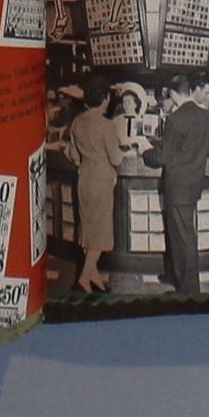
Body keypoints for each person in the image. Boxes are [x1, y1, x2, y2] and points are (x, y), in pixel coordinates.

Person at [151, 76, 209, 294]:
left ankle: (189, 291)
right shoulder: (208, 117)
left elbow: (162, 157)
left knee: (185, 239)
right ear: (188, 90)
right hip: (193, 186)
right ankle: (173, 276)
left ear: (172, 94)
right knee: (179, 235)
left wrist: (145, 151)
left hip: (177, 187)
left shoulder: (174, 119)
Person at [66, 85, 135, 292]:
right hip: (102, 182)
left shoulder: (77, 122)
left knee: (88, 231)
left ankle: (94, 279)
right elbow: (115, 158)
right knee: (100, 234)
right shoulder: (107, 125)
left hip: (84, 180)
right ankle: (83, 280)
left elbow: (73, 155)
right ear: (105, 99)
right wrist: (125, 153)